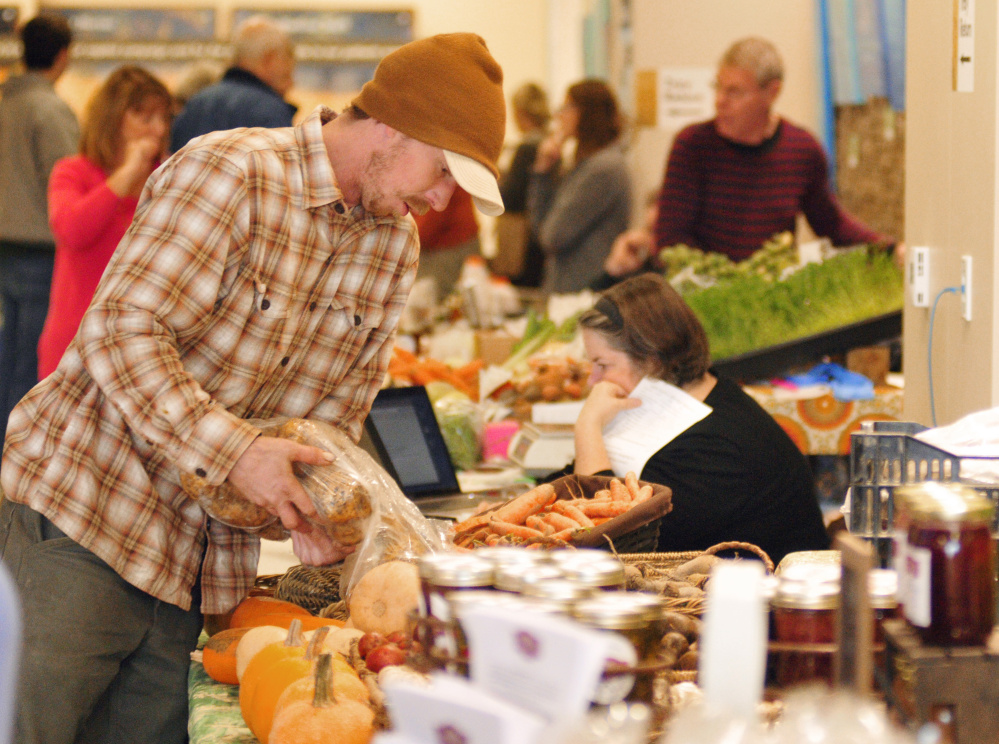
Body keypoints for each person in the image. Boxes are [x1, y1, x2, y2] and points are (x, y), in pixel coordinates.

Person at [0, 32, 506, 744]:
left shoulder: (394, 245)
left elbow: (332, 419)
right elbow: (122, 332)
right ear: (392, 124)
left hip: (200, 572)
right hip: (87, 520)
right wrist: (239, 454)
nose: (440, 195)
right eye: (443, 170)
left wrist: (314, 508)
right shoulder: (232, 172)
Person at [573, 273, 830, 564]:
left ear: (652, 360)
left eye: (602, 365)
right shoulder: (685, 403)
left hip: (763, 603)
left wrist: (587, 426)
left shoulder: (714, 445)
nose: (594, 381)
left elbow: (607, 543)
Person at [654, 37, 902, 264]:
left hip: (772, 296)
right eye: (718, 87)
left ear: (772, 92)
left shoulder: (802, 151)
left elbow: (832, 224)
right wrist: (725, 279)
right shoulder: (692, 146)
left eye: (735, 92)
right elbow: (670, 238)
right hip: (705, 298)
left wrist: (892, 249)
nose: (720, 100)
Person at [38, 66, 173, 380]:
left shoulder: (167, 180)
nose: (158, 129)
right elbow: (72, 230)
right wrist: (126, 174)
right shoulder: (73, 171)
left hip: (144, 345)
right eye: (145, 118)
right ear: (113, 119)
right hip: (76, 341)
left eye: (165, 118)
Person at [0, 13, 79, 436]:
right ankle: (16, 465)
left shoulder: (5, 101)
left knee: (7, 357)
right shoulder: (49, 109)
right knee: (29, 371)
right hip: (39, 253)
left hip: (5, 248)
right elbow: (67, 184)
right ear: (64, 55)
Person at [529, 79, 631, 293]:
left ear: (586, 113)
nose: (559, 115)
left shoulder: (603, 169)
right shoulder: (584, 164)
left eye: (567, 107)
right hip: (571, 289)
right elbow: (541, 230)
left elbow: (552, 237)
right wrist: (543, 171)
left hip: (586, 292)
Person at [169, 15, 297, 153]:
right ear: (269, 60)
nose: (291, 84)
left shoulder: (196, 104)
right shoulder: (271, 111)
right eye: (287, 75)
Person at [496, 81, 550, 287]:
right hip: (537, 230)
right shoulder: (548, 141)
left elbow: (509, 197)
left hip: (521, 237)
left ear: (520, 112)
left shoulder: (527, 148)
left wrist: (495, 176)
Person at [412, 186, 480, 299]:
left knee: (438, 300)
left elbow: (431, 219)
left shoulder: (440, 175)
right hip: (437, 244)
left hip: (452, 246)